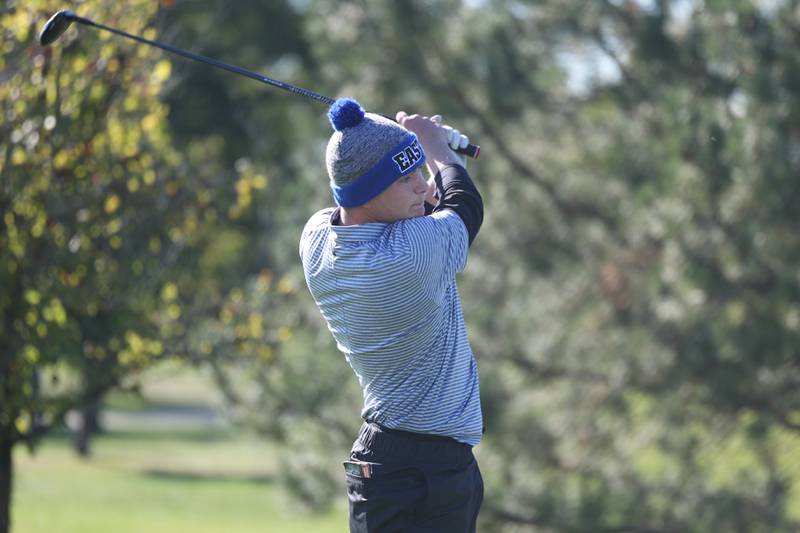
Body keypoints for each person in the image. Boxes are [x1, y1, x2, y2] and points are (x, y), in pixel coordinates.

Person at [299, 98, 484, 532]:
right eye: (407, 178)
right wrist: (438, 148)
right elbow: (465, 204)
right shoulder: (412, 255)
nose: (422, 186)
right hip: (436, 472)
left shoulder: (316, 242)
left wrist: (408, 152)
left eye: (420, 173)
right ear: (368, 192)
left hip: (379, 466)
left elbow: (383, 210)